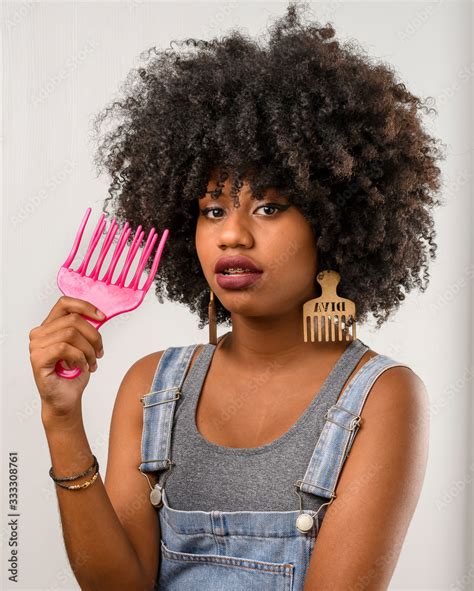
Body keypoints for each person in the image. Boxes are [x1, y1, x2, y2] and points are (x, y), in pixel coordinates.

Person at [29, 2, 444, 589]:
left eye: (269, 207)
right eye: (213, 209)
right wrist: (61, 419)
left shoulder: (381, 398)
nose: (232, 234)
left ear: (334, 222)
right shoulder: (153, 389)